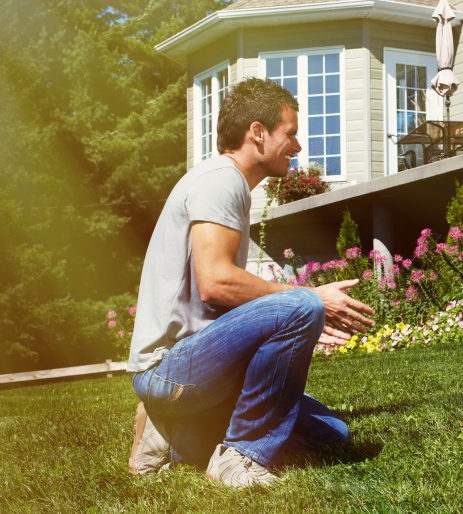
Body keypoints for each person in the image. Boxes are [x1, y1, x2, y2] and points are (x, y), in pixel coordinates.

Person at [126, 78, 375, 487]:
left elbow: (222, 300)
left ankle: (171, 434)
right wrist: (308, 304)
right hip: (168, 369)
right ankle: (238, 457)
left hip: (197, 367)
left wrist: (293, 320)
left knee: (333, 434)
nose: (297, 148)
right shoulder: (220, 180)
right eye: (290, 135)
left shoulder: (229, 184)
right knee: (303, 304)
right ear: (257, 133)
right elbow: (217, 283)